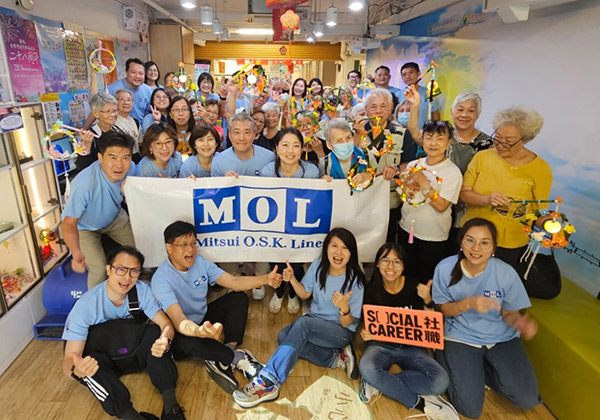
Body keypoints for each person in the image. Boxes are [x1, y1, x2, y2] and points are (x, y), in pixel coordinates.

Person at [233, 228, 366, 408]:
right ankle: (337, 358)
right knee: (283, 337)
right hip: (315, 323)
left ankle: (268, 381)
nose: (338, 252)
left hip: (340, 331)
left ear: (351, 253)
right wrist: (292, 279)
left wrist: (344, 309)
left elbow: (347, 323)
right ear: (326, 248)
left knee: (303, 326)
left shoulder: (356, 281)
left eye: (344, 248)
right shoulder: (319, 265)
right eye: (334, 246)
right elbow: (304, 294)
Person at [151, 221, 282, 394]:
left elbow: (233, 282)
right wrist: (199, 331)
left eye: (193, 243)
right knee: (189, 341)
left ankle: (224, 355)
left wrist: (265, 279)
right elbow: (179, 320)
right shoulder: (161, 279)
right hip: (179, 332)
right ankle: (237, 358)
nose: (191, 249)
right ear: (169, 248)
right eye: (184, 245)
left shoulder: (200, 262)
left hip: (202, 319)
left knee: (238, 298)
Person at [432, 218, 541, 418]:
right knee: (470, 409)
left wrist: (520, 323)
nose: (476, 248)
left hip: (501, 338)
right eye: (470, 240)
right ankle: (448, 358)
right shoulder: (444, 268)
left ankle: (480, 370)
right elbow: (444, 309)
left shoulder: (506, 273)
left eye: (484, 242)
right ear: (461, 242)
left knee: (527, 399)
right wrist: (469, 303)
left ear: (493, 248)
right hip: (460, 337)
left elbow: (510, 314)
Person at [62, 246, 186, 420]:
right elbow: (69, 361)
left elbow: (165, 324)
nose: (127, 278)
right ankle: (132, 417)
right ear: (108, 270)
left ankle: (171, 407)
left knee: (156, 335)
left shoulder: (142, 291)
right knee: (90, 368)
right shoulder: (85, 306)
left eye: (134, 271)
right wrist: (78, 370)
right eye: (121, 269)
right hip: (103, 361)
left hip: (133, 353)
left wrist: (165, 340)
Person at [459, 107, 553, 297]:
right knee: (465, 285)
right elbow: (464, 194)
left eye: (509, 141)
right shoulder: (482, 157)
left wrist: (553, 228)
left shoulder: (541, 169)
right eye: (498, 137)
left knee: (494, 292)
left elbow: (539, 213)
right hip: (473, 237)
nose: (501, 144)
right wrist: (486, 199)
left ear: (526, 140)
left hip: (509, 244)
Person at [358, 243, 458, 420]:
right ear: (378, 264)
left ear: (403, 266)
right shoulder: (370, 290)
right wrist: (367, 333)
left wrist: (427, 300)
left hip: (412, 347)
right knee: (367, 367)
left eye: (396, 262)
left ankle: (377, 381)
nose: (390, 266)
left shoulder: (415, 287)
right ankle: (419, 403)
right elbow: (368, 323)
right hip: (381, 345)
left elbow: (430, 325)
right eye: (385, 261)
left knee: (440, 381)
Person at [401, 86, 463, 282]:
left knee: (426, 279)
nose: (433, 143)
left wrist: (424, 184)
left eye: (439, 139)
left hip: (432, 237)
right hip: (406, 228)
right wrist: (409, 188)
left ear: (449, 142)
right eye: (429, 138)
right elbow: (406, 194)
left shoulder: (452, 172)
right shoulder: (413, 165)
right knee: (407, 276)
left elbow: (442, 205)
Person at [210, 112, 275, 299]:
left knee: (265, 240)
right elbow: (213, 195)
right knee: (224, 240)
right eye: (236, 132)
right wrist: (224, 183)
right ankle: (234, 277)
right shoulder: (219, 160)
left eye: (247, 132)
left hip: (261, 214)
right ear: (229, 135)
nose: (241, 137)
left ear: (255, 134)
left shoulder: (269, 157)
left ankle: (260, 278)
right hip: (231, 214)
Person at [62, 131, 137, 288]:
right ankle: (94, 302)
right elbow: (69, 223)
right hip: (84, 227)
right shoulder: (85, 183)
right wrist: (76, 254)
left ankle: (137, 290)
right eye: (112, 157)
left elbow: (140, 196)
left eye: (125, 157)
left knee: (139, 249)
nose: (119, 165)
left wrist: (129, 193)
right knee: (98, 269)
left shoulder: (132, 169)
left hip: (114, 217)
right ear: (100, 158)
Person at [259, 128, 319, 314]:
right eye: (285, 145)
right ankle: (278, 292)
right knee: (275, 261)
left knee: (297, 262)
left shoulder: (311, 171)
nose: (290, 151)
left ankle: (293, 292)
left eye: (296, 146)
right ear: (277, 149)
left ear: (302, 149)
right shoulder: (268, 171)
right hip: (274, 226)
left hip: (300, 227)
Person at [363, 88, 405, 242]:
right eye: (373, 106)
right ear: (366, 109)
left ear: (391, 107)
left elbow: (408, 164)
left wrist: (396, 169)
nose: (378, 111)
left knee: (386, 242)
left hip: (390, 202)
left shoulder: (401, 134)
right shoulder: (357, 133)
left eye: (383, 106)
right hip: (363, 201)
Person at [318, 118, 377, 189]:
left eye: (348, 138)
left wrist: (367, 176)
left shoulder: (367, 155)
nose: (345, 143)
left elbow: (380, 181)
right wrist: (322, 182)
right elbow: (317, 190)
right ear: (329, 145)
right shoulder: (324, 163)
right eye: (339, 141)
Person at [77, 93, 120, 172]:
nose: (113, 114)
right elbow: (82, 167)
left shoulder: (118, 130)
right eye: (108, 111)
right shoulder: (90, 135)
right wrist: (86, 147)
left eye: (115, 110)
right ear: (96, 113)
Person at [108, 58, 153, 124]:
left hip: (141, 127)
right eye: (133, 72)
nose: (137, 76)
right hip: (118, 127)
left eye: (141, 73)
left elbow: (150, 112)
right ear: (126, 72)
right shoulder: (112, 89)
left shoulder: (148, 90)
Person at [400, 62, 440, 127]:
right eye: (404, 74)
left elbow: (435, 114)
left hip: (423, 131)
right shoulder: (398, 94)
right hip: (403, 132)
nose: (407, 76)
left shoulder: (429, 93)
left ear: (418, 73)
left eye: (411, 72)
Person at [114, 90, 140, 155]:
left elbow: (140, 143)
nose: (126, 102)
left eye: (129, 100)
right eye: (121, 99)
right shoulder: (112, 121)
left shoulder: (136, 122)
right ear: (115, 102)